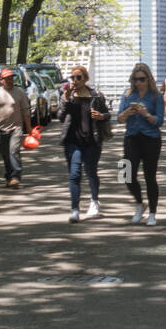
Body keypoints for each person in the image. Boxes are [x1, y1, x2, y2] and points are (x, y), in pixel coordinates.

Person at [58, 66, 108, 222]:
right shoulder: (68, 96)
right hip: (72, 142)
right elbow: (60, 117)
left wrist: (101, 116)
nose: (75, 80)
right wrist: (66, 99)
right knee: (74, 175)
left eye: (78, 77)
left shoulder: (96, 96)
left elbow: (107, 115)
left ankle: (94, 200)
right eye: (72, 77)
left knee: (91, 172)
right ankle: (75, 210)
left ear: (85, 78)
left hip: (91, 141)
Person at [118, 62, 165, 225]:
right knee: (125, 174)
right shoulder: (127, 95)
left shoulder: (156, 96)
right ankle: (140, 204)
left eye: (142, 79)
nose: (138, 83)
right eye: (135, 79)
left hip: (151, 139)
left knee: (149, 176)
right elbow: (119, 118)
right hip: (131, 137)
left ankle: (152, 213)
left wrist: (146, 114)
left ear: (148, 79)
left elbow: (159, 121)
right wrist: (126, 113)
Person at [0, 68, 32, 188]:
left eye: (12, 78)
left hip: (17, 127)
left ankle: (16, 176)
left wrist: (29, 129)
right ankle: (9, 177)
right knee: (5, 155)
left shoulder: (20, 92)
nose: (10, 80)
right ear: (2, 80)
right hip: (1, 129)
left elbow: (26, 111)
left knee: (13, 151)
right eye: (7, 78)